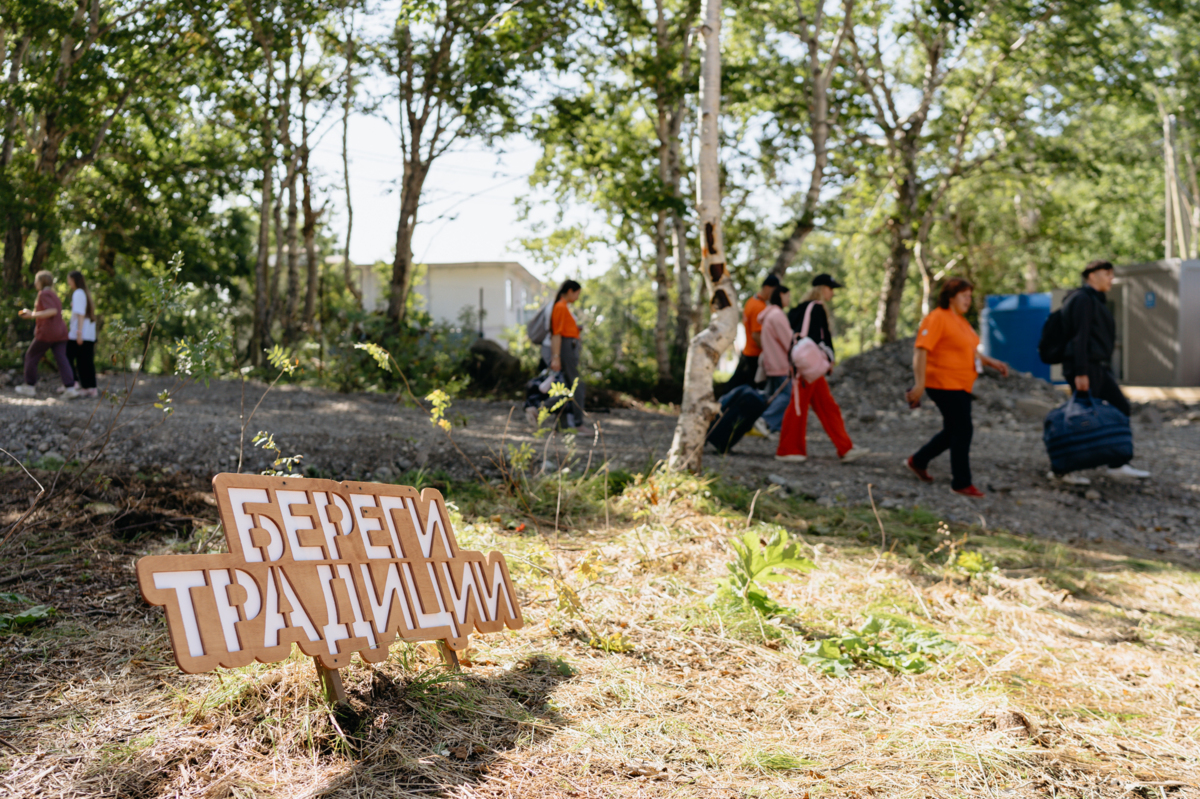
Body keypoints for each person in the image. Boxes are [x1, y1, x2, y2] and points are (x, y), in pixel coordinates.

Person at [904, 277, 1009, 497]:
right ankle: (961, 482)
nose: (968, 300)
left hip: (961, 384)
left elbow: (970, 351)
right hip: (942, 382)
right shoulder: (937, 318)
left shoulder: (960, 321)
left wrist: (992, 362)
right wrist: (920, 384)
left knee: (953, 430)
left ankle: (918, 460)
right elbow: (921, 350)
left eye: (970, 296)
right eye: (964, 296)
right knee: (963, 429)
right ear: (951, 297)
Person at [1058, 260, 1149, 481]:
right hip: (1085, 369)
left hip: (1096, 367)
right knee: (1081, 418)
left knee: (1120, 407)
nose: (1111, 278)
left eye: (1111, 274)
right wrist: (1080, 372)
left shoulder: (1095, 300)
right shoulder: (1082, 299)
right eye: (1106, 273)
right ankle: (1063, 469)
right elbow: (1079, 336)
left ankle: (1117, 464)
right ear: (1091, 276)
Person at [775, 274, 869, 464]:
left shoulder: (798, 309)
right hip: (808, 367)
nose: (832, 293)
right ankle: (788, 450)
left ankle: (845, 447)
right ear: (822, 288)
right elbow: (822, 337)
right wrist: (829, 359)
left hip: (804, 366)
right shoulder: (817, 307)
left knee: (827, 407)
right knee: (798, 407)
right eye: (830, 288)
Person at [16, 271, 78, 399]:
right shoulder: (54, 295)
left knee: (31, 355)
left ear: (41, 282)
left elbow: (52, 311)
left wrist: (32, 315)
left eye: (36, 281)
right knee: (62, 359)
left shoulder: (44, 293)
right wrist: (31, 312)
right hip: (60, 333)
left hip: (48, 333)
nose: (35, 283)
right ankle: (70, 388)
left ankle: (29, 386)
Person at [716, 274, 779, 398]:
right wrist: (770, 352)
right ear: (767, 287)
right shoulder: (759, 307)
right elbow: (756, 335)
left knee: (737, 386)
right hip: (754, 355)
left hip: (748, 352)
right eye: (774, 290)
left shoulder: (751, 301)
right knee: (749, 390)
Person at [542, 279, 585, 428]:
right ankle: (578, 423)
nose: (578, 297)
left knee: (566, 386)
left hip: (569, 347)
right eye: (577, 293)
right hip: (566, 349)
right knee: (575, 385)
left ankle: (546, 412)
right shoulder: (560, 306)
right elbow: (556, 334)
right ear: (570, 291)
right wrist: (556, 357)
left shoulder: (564, 306)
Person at [66, 270, 98, 399]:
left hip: (80, 333)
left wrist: (78, 333)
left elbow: (80, 314)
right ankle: (89, 387)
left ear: (74, 280)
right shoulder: (85, 293)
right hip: (88, 333)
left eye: (69, 279)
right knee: (84, 361)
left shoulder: (78, 293)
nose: (68, 282)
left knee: (67, 356)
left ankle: (73, 382)